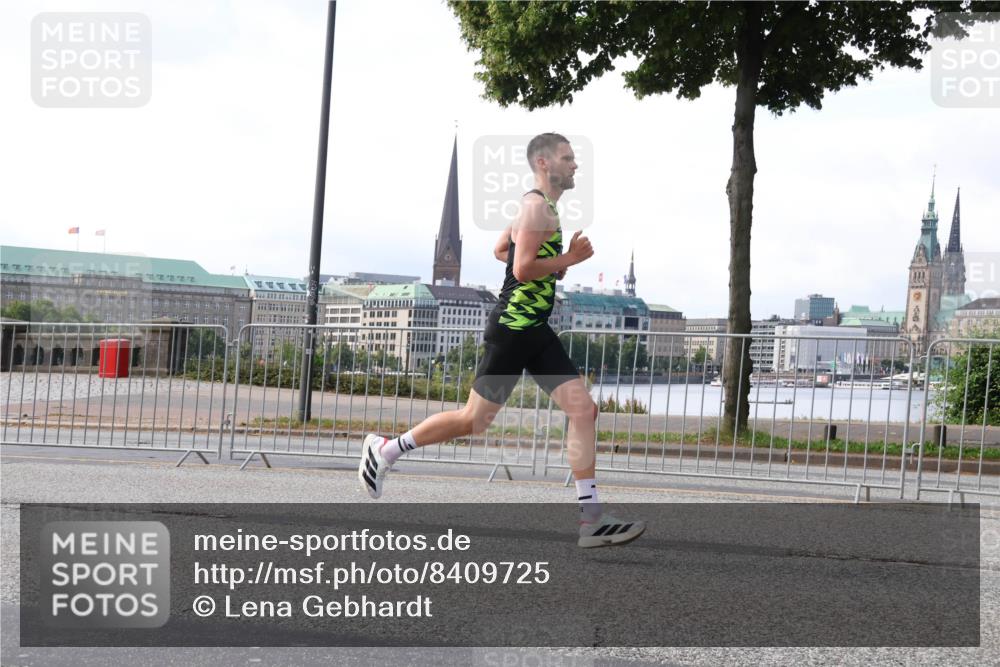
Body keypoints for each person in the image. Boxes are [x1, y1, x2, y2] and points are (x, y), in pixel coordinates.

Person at [359, 133, 645, 548]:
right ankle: (386, 449)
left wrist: (554, 266)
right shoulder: (534, 207)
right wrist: (567, 259)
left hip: (535, 331)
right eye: (567, 158)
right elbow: (523, 268)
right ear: (544, 163)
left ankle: (592, 520)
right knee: (473, 421)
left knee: (584, 410)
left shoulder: (543, 209)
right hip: (512, 329)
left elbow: (500, 250)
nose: (575, 165)